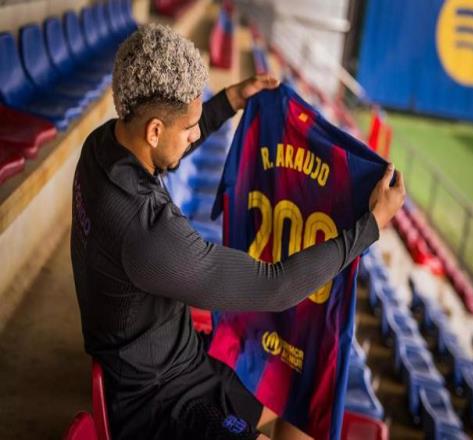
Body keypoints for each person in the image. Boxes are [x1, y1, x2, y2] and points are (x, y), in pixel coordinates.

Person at [70, 23, 405, 440]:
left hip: (177, 360)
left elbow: (168, 145)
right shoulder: (148, 233)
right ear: (154, 130)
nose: (196, 135)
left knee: (297, 394)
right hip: (158, 404)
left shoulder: (102, 146)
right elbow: (274, 285)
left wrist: (230, 100)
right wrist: (369, 228)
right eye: (190, 127)